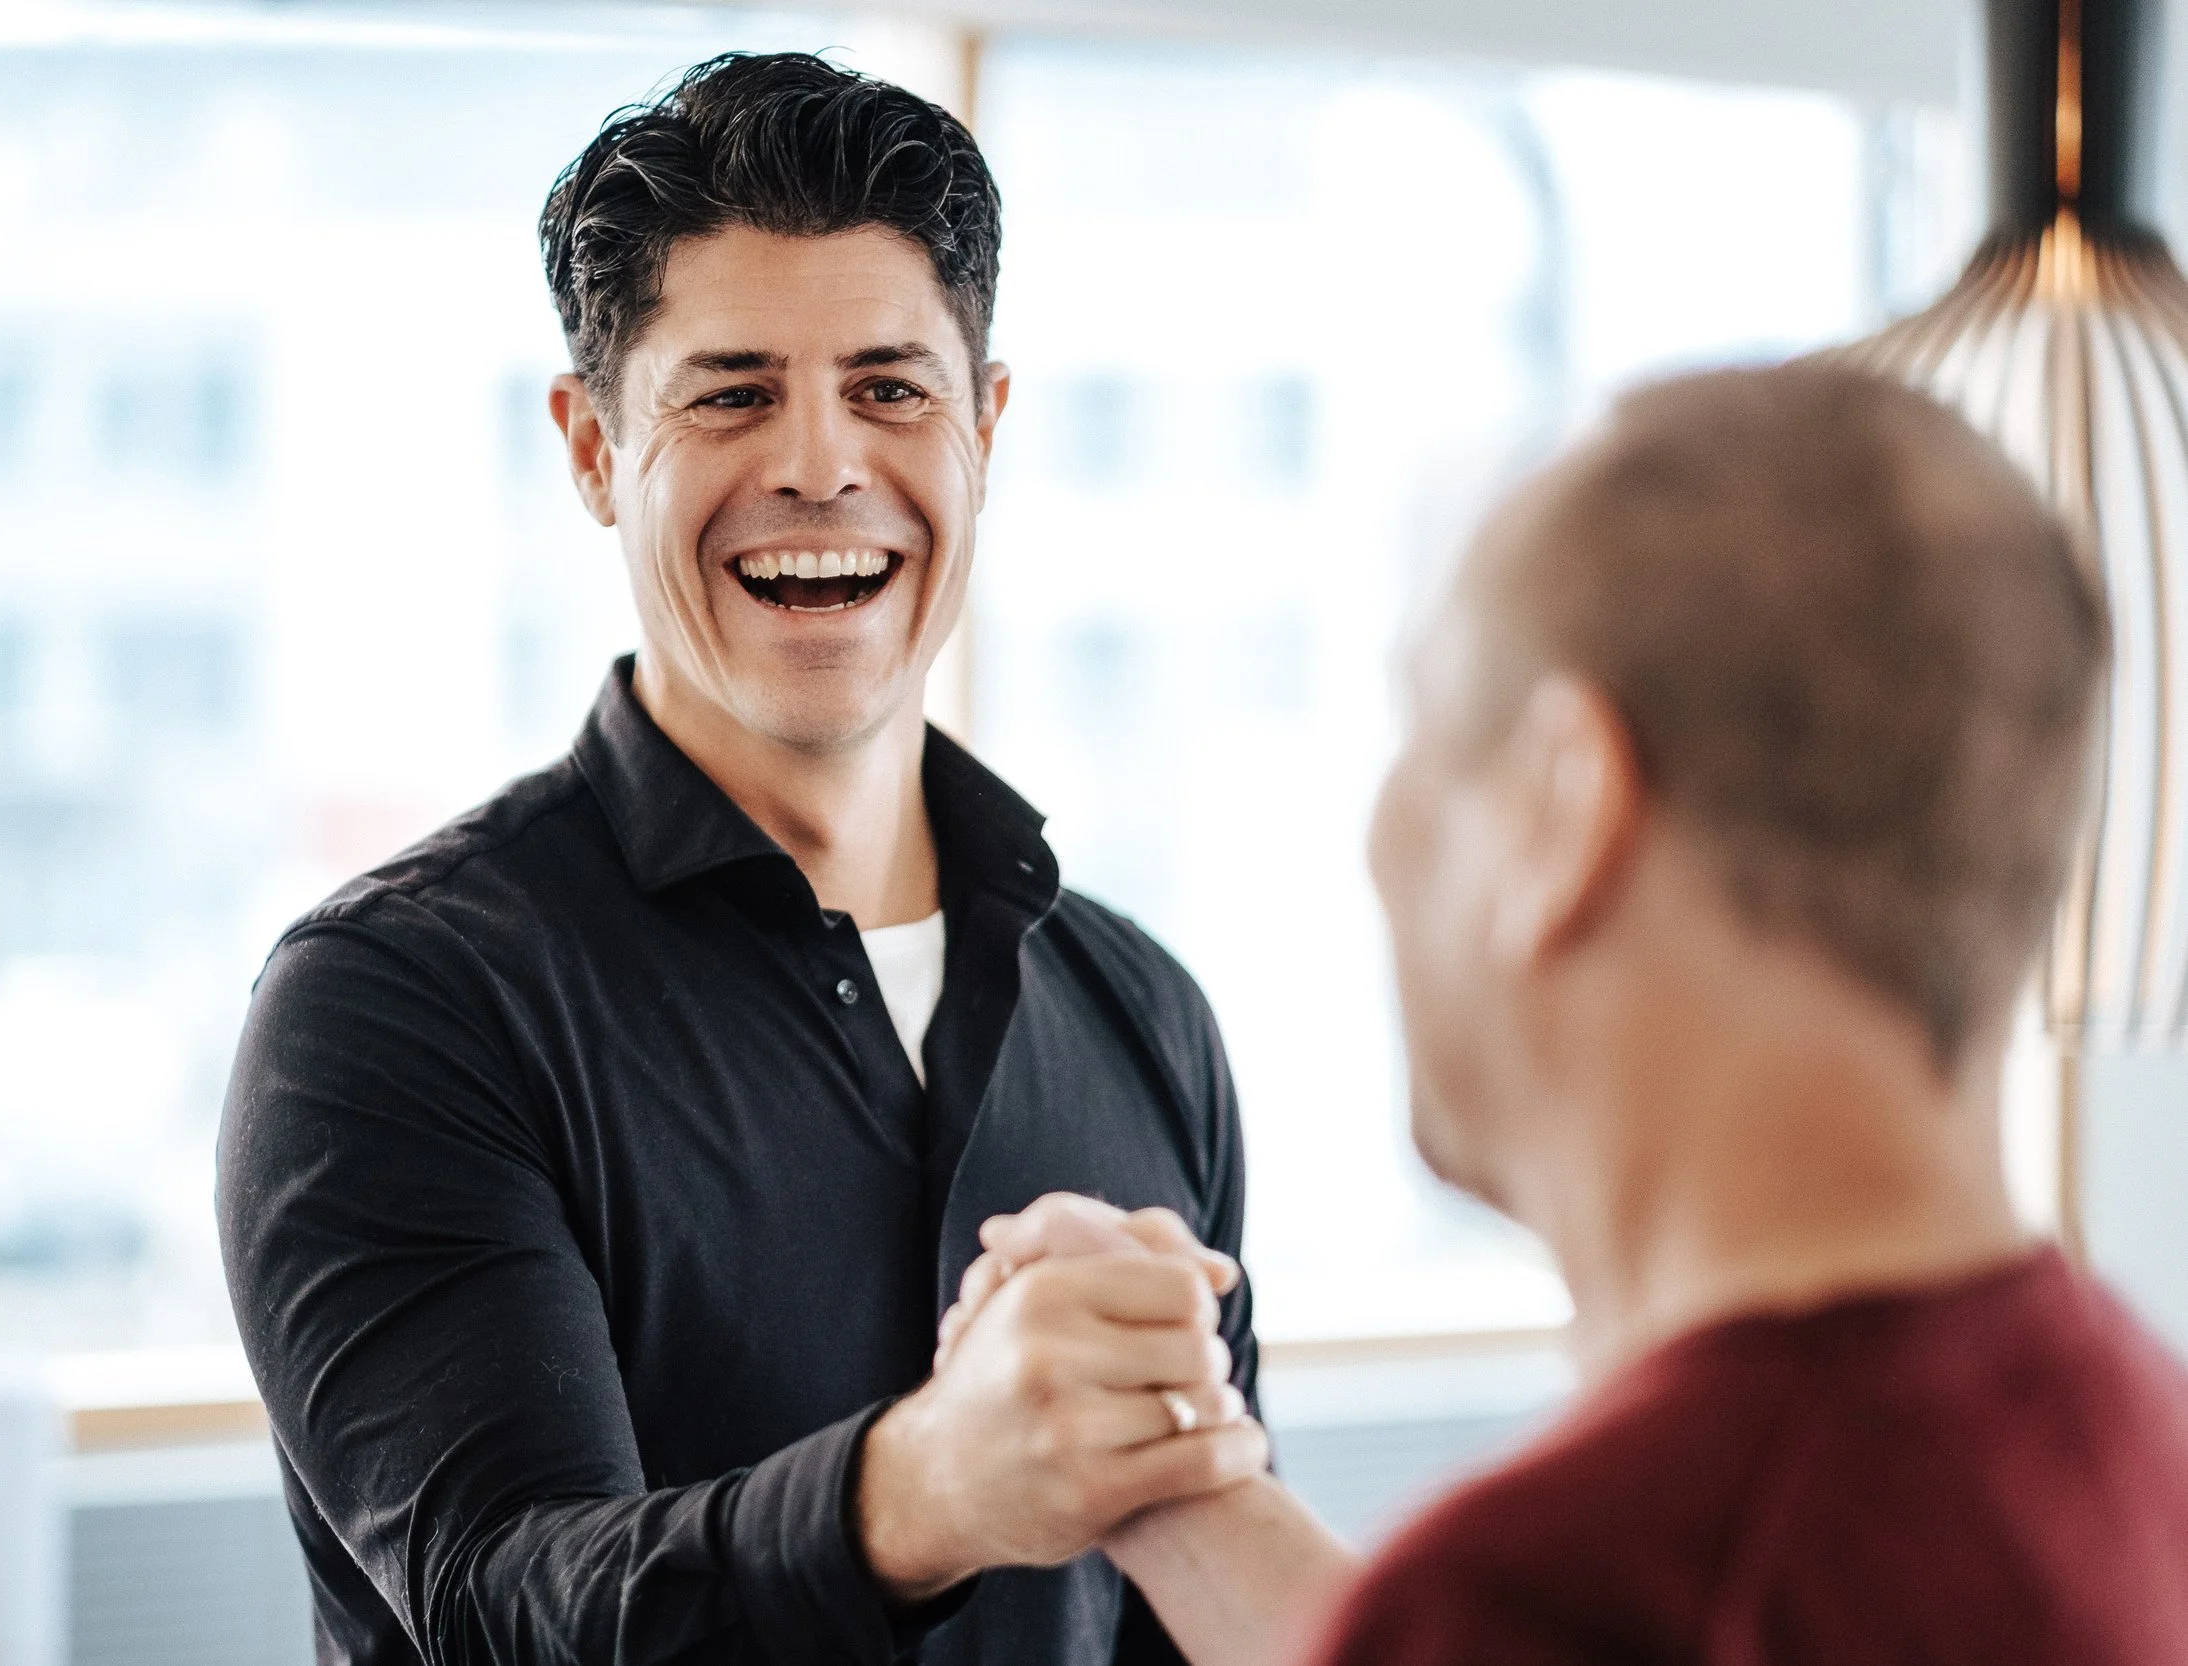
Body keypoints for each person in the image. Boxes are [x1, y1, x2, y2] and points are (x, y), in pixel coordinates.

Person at [216, 51, 1264, 1666]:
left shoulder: (1140, 1013)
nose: (822, 463)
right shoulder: (399, 1003)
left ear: (985, 426)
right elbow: (506, 1605)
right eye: (732, 392)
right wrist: (920, 1490)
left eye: (893, 387)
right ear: (586, 448)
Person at [944, 362, 2188, 1665]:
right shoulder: (2127, 1437)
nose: (1379, 836)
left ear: (1562, 808)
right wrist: (1175, 1485)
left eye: (1426, 727)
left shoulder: (1568, 1593)